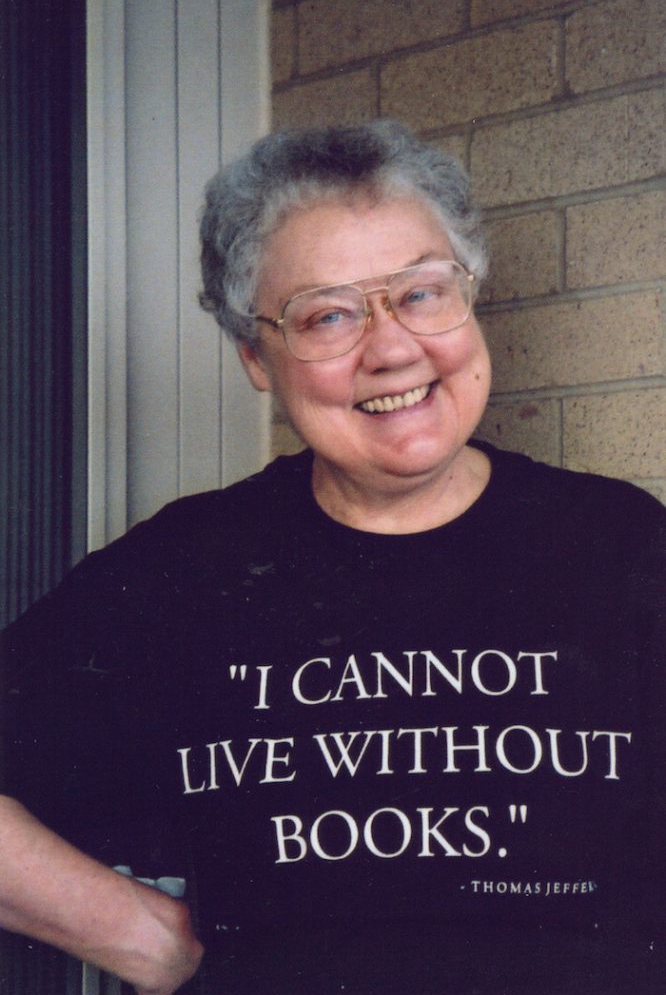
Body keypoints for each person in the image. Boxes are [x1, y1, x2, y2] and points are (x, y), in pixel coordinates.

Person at [1, 121, 664, 995]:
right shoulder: (181, 571)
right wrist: (143, 938)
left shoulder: (623, 545)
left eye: (423, 293)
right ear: (255, 356)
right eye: (329, 314)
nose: (391, 347)